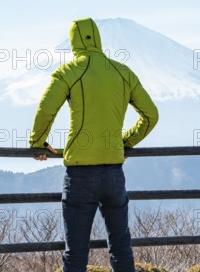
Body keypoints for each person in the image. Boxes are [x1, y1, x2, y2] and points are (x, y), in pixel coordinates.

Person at [29, 18, 159, 272]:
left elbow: (46, 109)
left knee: (75, 253)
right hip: (114, 173)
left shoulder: (69, 72)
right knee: (121, 247)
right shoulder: (123, 72)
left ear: (74, 41)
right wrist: (126, 141)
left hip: (80, 175)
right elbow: (151, 115)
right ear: (97, 39)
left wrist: (37, 142)